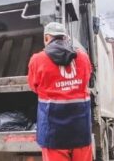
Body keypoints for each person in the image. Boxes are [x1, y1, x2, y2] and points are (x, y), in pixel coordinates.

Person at [28, 22, 93, 161]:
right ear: (66, 38)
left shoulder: (37, 60)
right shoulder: (83, 57)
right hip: (81, 130)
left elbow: (34, 87)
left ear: (46, 38)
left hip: (53, 132)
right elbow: (87, 79)